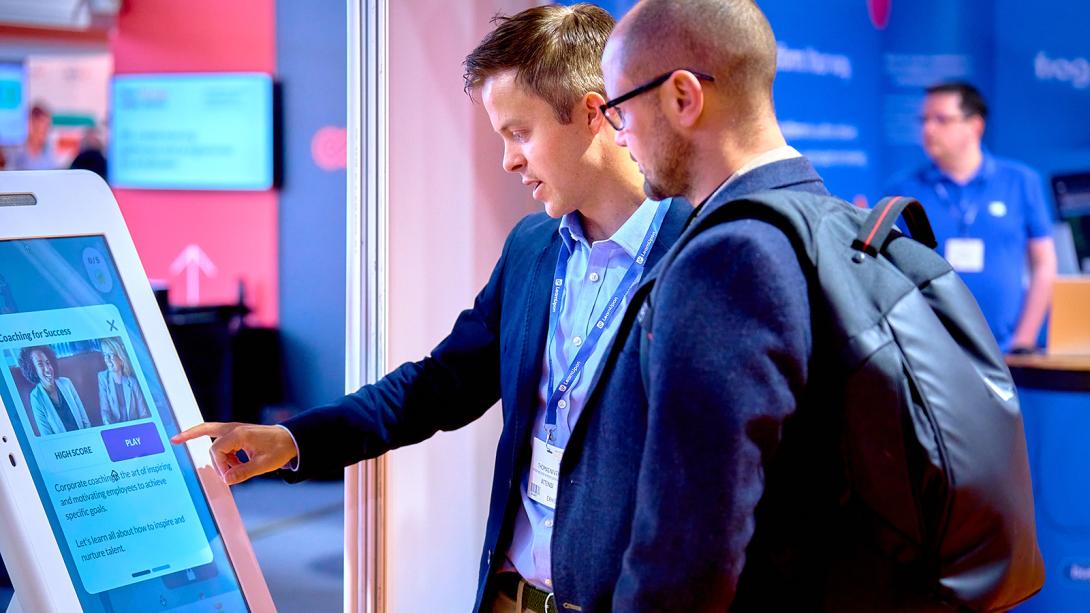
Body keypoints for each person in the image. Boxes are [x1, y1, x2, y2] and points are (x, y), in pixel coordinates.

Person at [171, 5, 691, 613]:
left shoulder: (700, 254)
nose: (509, 160)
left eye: (520, 133)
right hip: (510, 598)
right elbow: (437, 386)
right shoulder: (533, 249)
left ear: (590, 113)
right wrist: (293, 440)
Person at [546, 0, 927, 610]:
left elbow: (687, 550)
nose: (618, 134)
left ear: (682, 97)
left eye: (619, 109)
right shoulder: (825, 224)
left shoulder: (729, 260)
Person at [885, 82, 1057, 352]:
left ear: (975, 126)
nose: (928, 130)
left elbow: (1044, 264)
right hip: (932, 354)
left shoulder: (1021, 182)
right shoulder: (903, 190)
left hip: (1007, 352)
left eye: (941, 119)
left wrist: (1024, 339)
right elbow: (888, 273)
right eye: (924, 120)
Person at [19, 345, 91, 435]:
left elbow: (85, 420)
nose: (47, 369)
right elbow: (47, 435)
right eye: (40, 364)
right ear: (33, 370)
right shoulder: (35, 397)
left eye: (48, 363)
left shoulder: (66, 383)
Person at [98, 337, 150, 425]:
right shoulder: (103, 377)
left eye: (110, 355)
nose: (107, 359)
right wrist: (109, 426)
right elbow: (105, 410)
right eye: (105, 355)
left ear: (121, 359)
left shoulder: (132, 382)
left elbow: (143, 413)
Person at [12, 103, 59, 171]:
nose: (47, 132)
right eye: (43, 128)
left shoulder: (49, 154)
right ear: (31, 125)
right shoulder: (15, 154)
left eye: (48, 127)